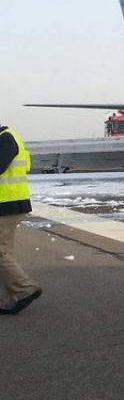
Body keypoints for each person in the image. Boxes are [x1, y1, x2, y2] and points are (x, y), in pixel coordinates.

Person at [0, 125, 42, 314]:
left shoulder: (6, 139)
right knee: (4, 251)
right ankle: (8, 298)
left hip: (7, 204)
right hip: (11, 204)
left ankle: (24, 289)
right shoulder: (11, 137)